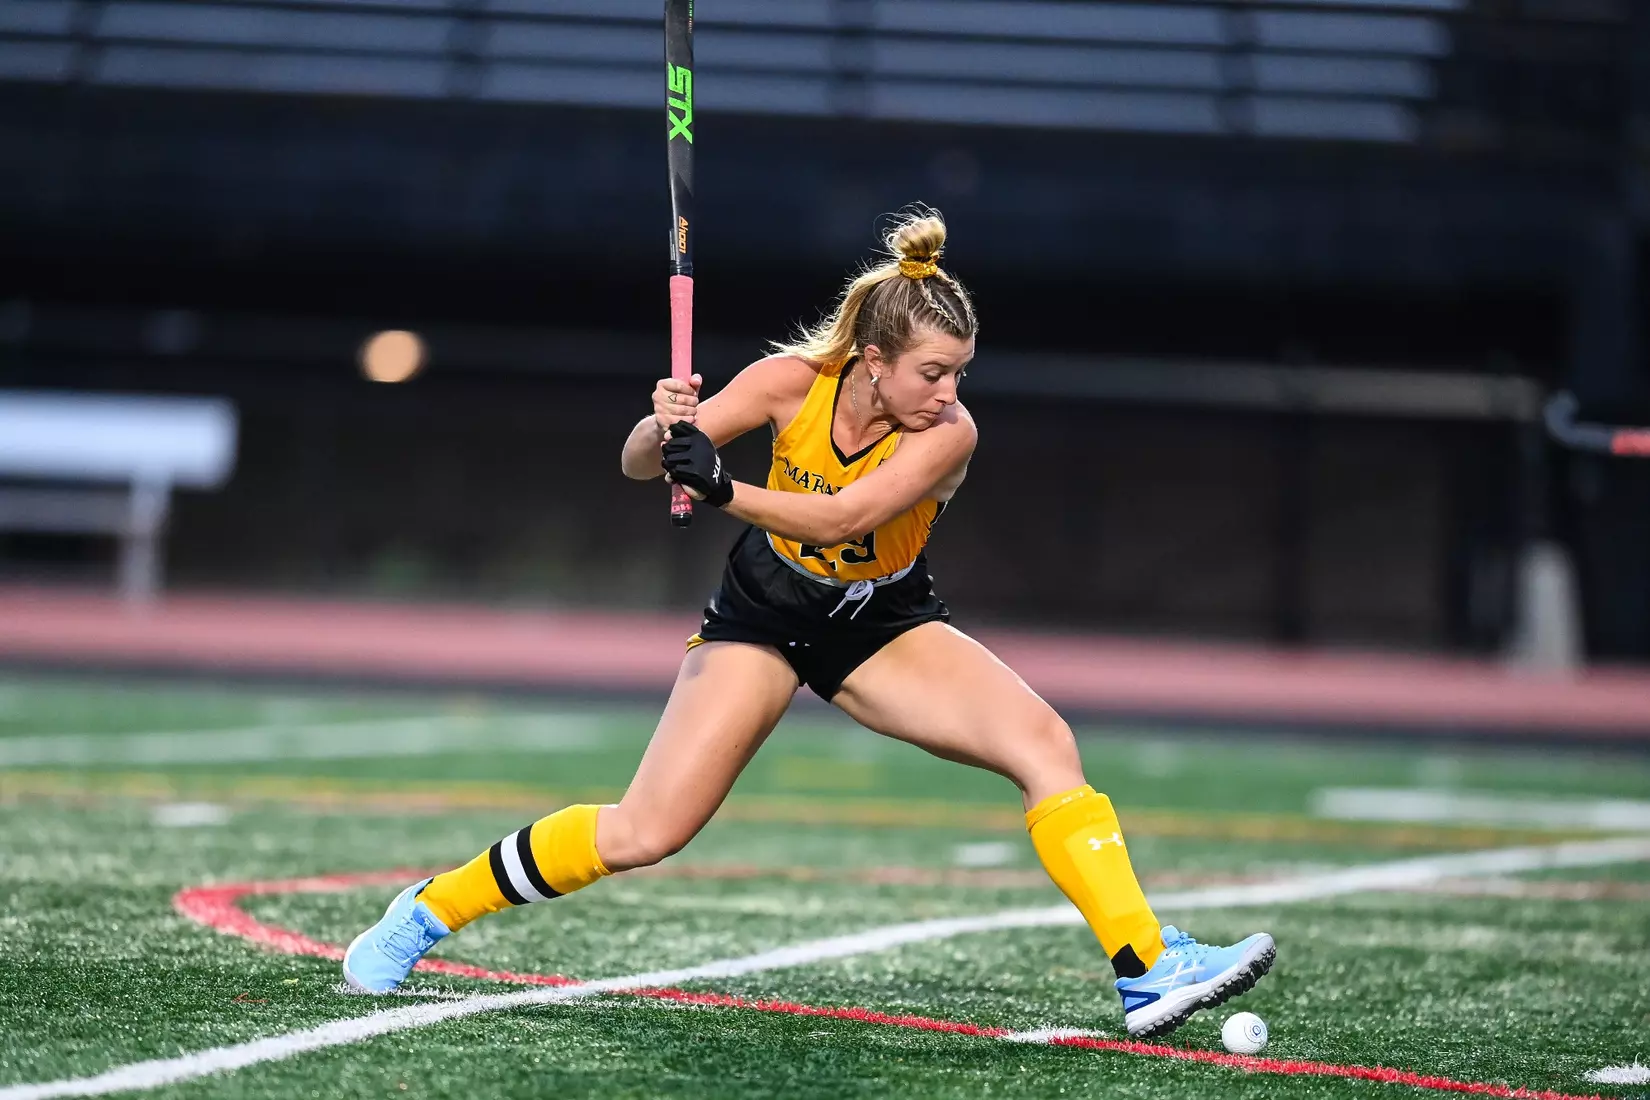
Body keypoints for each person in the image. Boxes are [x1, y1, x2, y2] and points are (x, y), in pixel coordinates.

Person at [342, 208, 1274, 1039]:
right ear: (871, 361)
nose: (950, 392)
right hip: (762, 615)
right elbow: (642, 465)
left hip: (881, 620)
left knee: (1044, 743)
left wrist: (722, 487)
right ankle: (427, 911)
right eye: (934, 373)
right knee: (645, 831)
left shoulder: (949, 435)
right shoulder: (791, 383)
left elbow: (842, 520)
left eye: (958, 374)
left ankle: (1146, 971)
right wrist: (663, 427)